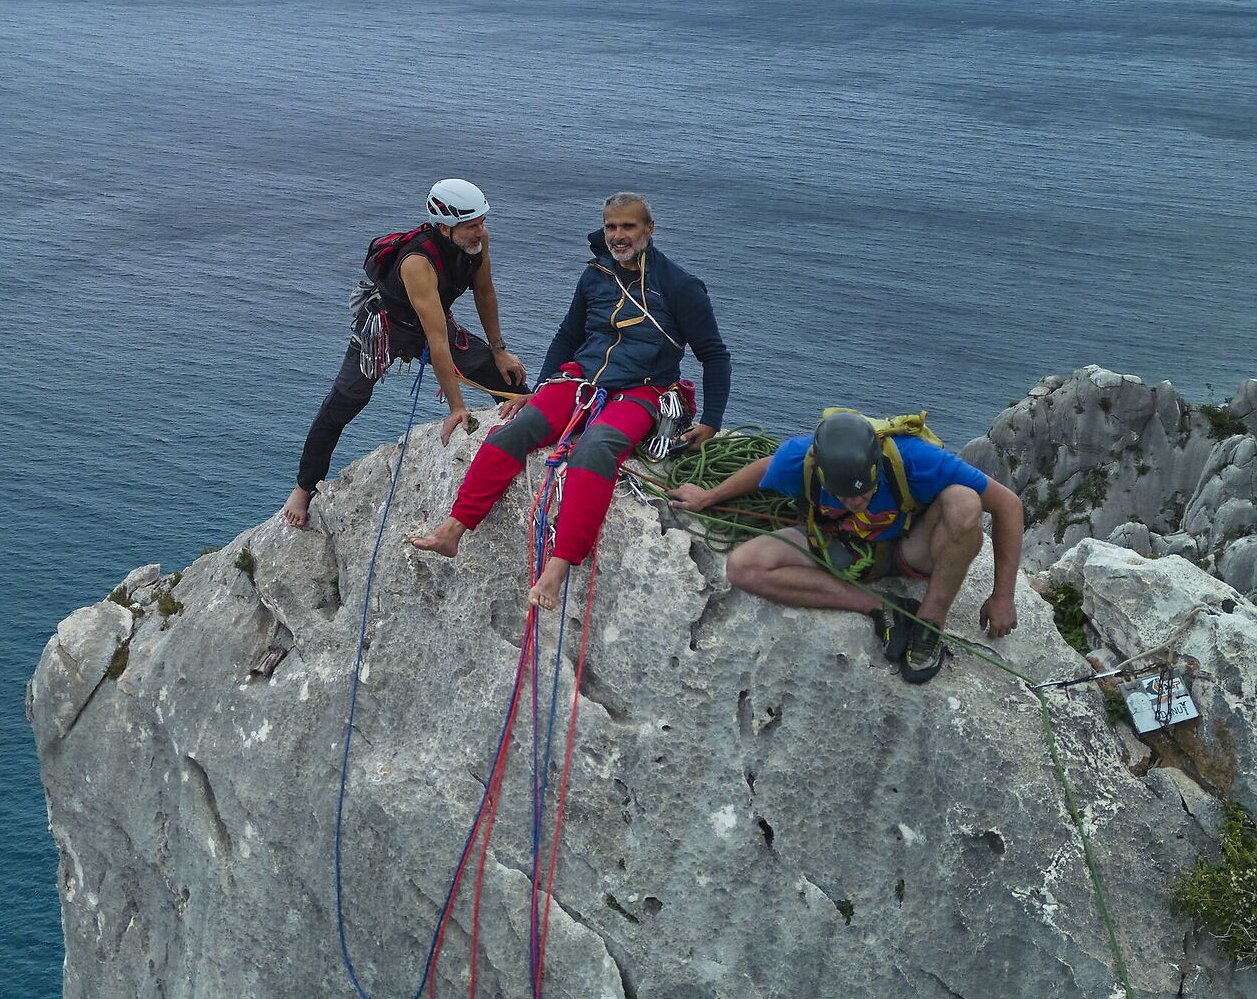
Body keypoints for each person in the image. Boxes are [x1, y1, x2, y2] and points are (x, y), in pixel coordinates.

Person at [411, 193, 731, 610]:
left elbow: (714, 355)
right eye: (610, 226)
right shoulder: (596, 276)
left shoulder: (680, 288)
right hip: (580, 380)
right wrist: (540, 389)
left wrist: (711, 420)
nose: (617, 236)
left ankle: (558, 568)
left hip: (643, 390)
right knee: (514, 433)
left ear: (649, 230)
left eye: (628, 226)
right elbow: (568, 335)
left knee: (594, 450)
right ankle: (453, 530)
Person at [672, 409, 1024, 683]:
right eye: (845, 494)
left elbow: (1008, 504)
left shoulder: (913, 458)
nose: (856, 501)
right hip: (838, 545)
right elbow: (767, 467)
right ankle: (882, 608)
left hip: (910, 547)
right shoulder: (803, 458)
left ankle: (929, 624)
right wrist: (708, 497)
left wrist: (1003, 595)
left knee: (964, 501)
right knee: (743, 567)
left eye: (865, 491)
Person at [282, 181, 528, 529]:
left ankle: (535, 435)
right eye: (472, 225)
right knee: (344, 402)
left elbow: (485, 292)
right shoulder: (417, 261)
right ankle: (304, 488)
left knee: (507, 379)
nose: (481, 231)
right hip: (386, 327)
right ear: (444, 227)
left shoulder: (475, 243)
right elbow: (437, 339)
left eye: (483, 222)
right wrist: (457, 407)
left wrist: (500, 351)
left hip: (436, 322)